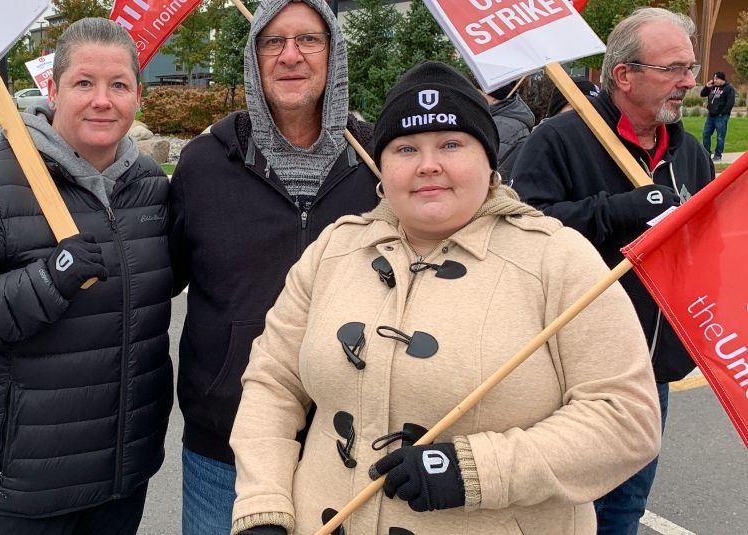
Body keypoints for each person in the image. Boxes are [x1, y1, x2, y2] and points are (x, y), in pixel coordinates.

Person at [229, 61, 661, 535]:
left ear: (488, 159)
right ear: (382, 165)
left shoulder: (556, 259)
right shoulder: (335, 248)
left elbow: (626, 419)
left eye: (451, 144)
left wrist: (477, 469)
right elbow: (272, 384)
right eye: (406, 148)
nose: (427, 164)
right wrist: (264, 504)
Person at [0, 18, 172, 535]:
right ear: (53, 89)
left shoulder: (151, 187)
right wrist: (46, 280)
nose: (101, 100)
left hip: (120, 481)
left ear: (139, 96)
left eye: (119, 85)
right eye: (84, 83)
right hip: (19, 495)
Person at [168, 0, 379, 533]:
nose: (291, 56)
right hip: (226, 445)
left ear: (334, 55)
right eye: (273, 42)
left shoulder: (379, 162)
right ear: (252, 57)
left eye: (309, 40)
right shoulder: (204, 164)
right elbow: (155, 276)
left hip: (350, 448)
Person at [510, 8, 714, 533]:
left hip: (648, 372)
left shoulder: (688, 152)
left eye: (689, 67)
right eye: (673, 69)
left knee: (624, 511)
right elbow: (523, 235)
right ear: (624, 75)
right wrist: (617, 210)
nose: (689, 82)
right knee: (564, 513)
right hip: (570, 371)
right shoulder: (558, 140)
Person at [482, 79, 534, 178]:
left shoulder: (501, 125)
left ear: (493, 97)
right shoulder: (509, 117)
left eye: (480, 93)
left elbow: (493, 168)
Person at [700, 70, 736, 161]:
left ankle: (718, 154)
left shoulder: (729, 88)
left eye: (716, 79)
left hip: (721, 116)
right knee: (706, 134)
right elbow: (702, 94)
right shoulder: (713, 87)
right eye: (714, 78)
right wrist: (706, 87)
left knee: (720, 136)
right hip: (710, 116)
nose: (714, 80)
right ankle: (707, 153)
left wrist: (722, 113)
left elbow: (730, 102)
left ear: (722, 79)